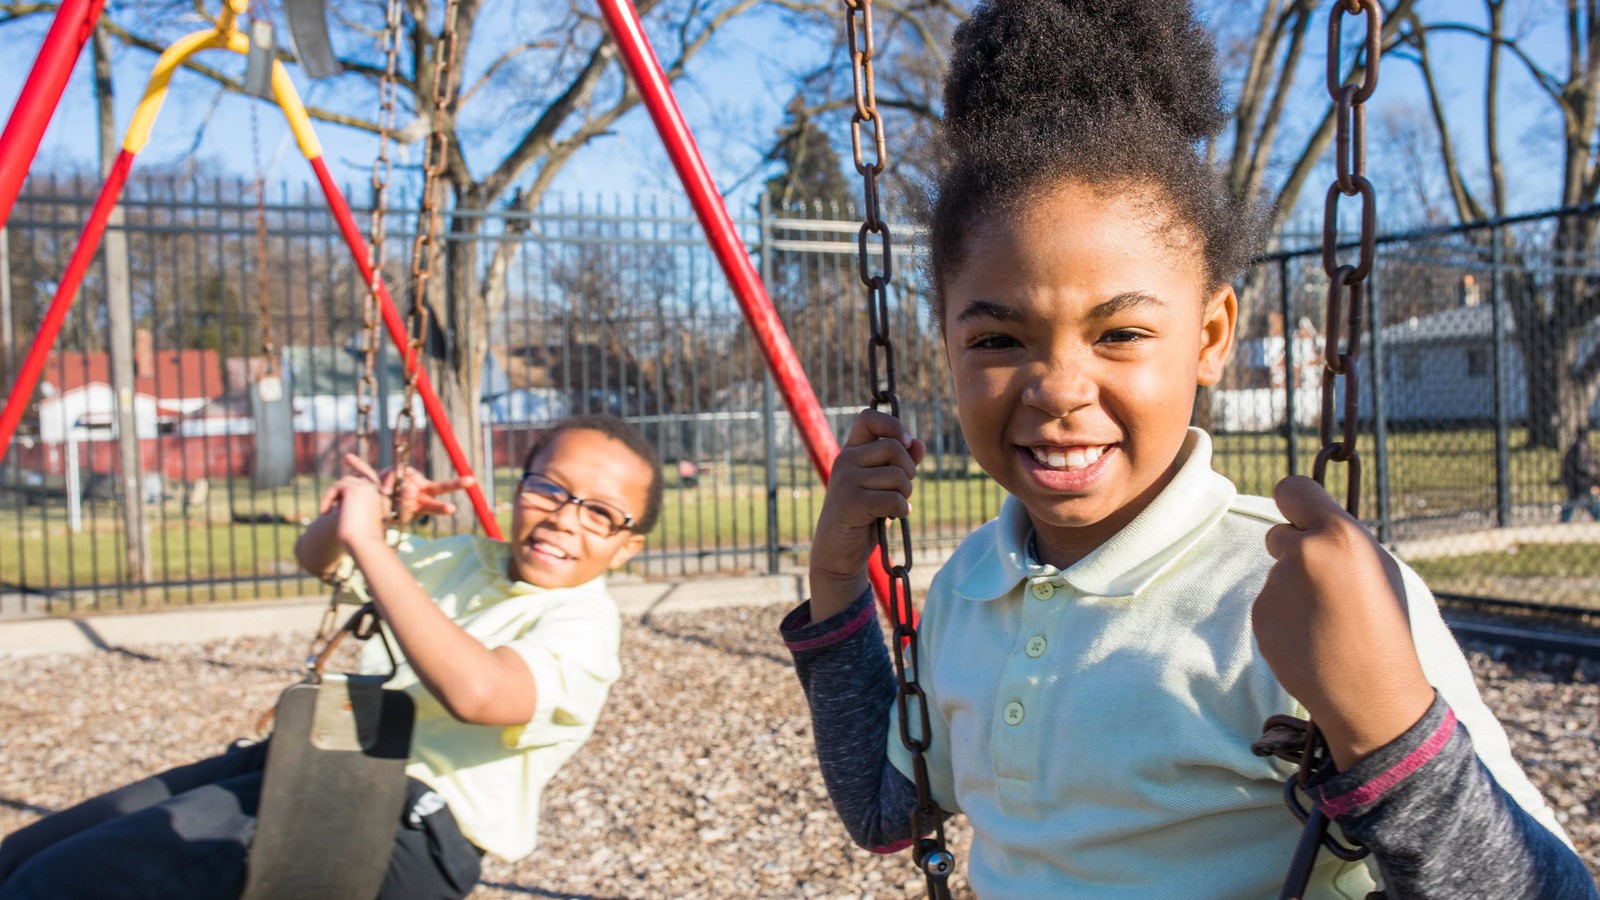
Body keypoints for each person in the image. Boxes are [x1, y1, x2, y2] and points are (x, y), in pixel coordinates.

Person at [780, 2, 1596, 897]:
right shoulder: (971, 587)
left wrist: (1392, 735)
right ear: (944, 342)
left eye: (1121, 332)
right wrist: (837, 580)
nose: (1056, 388)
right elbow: (886, 809)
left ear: (1211, 336)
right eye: (997, 341)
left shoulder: (1304, 601)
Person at [0, 414, 662, 900]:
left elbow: (481, 693)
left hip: (410, 829)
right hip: (319, 762)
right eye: (549, 488)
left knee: (65, 883)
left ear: (628, 547)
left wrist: (375, 546)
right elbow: (321, 558)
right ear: (521, 486)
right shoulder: (467, 559)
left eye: (601, 513)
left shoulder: (583, 625)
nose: (564, 519)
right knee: (23, 856)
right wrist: (362, 513)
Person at [1558, 430, 1600, 522]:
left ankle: (1565, 518)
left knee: (1577, 499)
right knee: (1588, 500)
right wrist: (1594, 473)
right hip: (1581, 480)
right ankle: (1597, 516)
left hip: (1577, 480)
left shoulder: (1576, 447)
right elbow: (1584, 465)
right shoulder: (1582, 447)